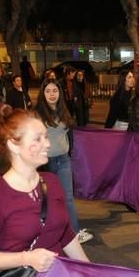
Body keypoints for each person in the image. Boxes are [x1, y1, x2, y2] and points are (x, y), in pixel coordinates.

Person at [0, 108, 89, 272]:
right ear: (13, 145)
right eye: (38, 139)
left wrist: (89, 271)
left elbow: (65, 234)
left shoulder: (52, 182)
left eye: (46, 137)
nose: (47, 144)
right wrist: (26, 258)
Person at [35, 80, 93, 244]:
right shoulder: (37, 114)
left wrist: (69, 150)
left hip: (63, 160)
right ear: (42, 94)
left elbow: (69, 134)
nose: (52, 94)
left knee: (67, 197)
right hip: (45, 162)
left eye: (55, 90)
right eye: (48, 91)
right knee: (47, 198)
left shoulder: (64, 111)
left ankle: (74, 233)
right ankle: (46, 234)